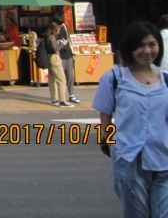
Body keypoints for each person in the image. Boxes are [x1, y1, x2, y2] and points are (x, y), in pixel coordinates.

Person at [92, 21, 168, 217]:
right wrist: (110, 144)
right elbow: (105, 115)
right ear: (130, 48)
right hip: (129, 159)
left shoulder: (166, 79)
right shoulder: (114, 78)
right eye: (140, 45)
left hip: (164, 159)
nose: (147, 50)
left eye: (152, 44)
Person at [45, 21, 73, 107]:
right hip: (55, 59)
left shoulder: (46, 37)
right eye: (57, 30)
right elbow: (55, 49)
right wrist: (62, 45)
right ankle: (62, 100)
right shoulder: (51, 37)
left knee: (52, 80)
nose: (58, 32)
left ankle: (54, 98)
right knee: (62, 80)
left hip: (49, 59)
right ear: (53, 30)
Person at [53, 16, 80, 104]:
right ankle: (58, 97)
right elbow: (54, 42)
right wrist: (60, 43)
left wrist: (73, 52)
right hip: (60, 55)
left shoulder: (64, 27)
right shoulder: (54, 29)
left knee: (70, 76)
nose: (61, 25)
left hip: (68, 54)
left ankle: (72, 95)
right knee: (60, 78)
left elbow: (69, 40)